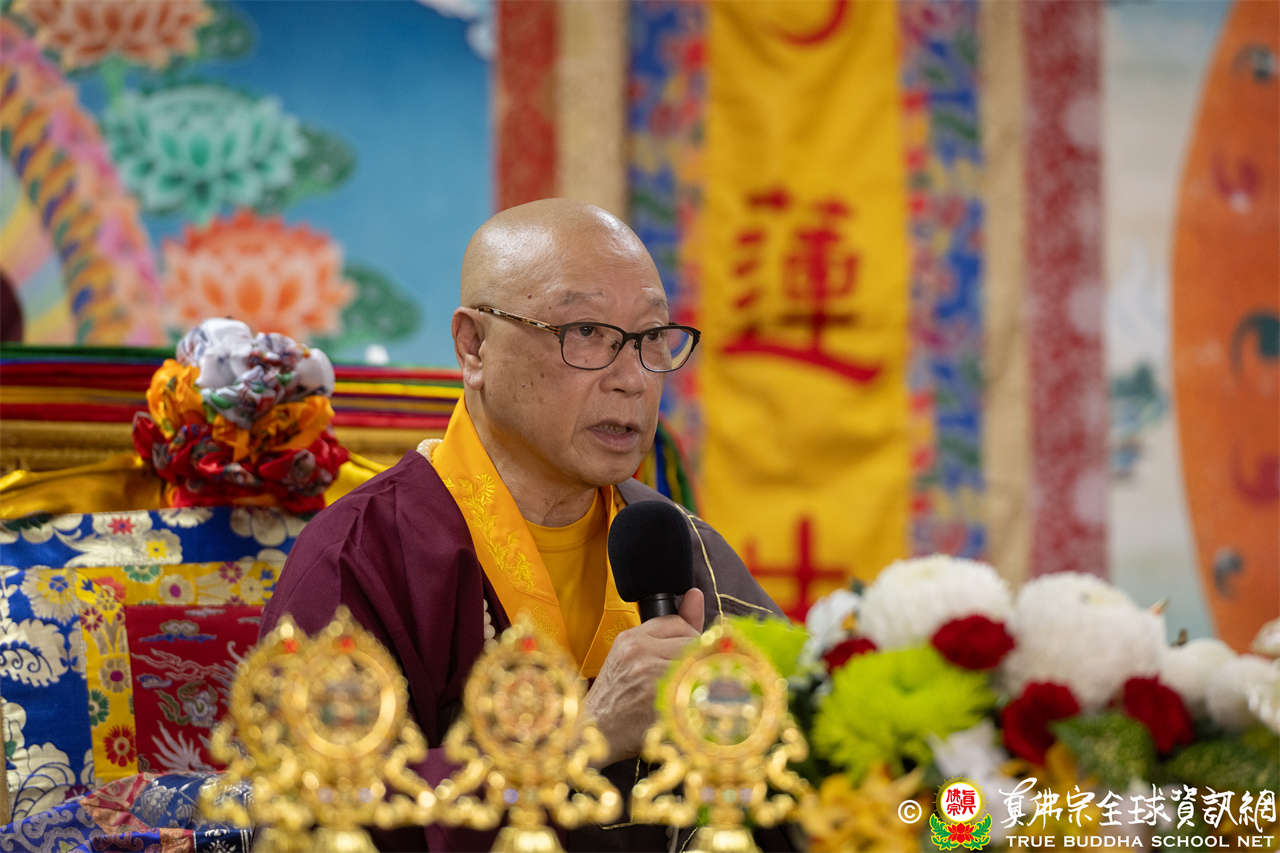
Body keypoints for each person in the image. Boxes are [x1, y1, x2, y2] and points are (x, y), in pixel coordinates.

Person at [260, 199, 790, 851]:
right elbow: (314, 816)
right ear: (474, 346)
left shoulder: (681, 550)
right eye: (587, 332)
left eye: (652, 337)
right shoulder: (363, 555)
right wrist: (582, 736)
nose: (632, 379)